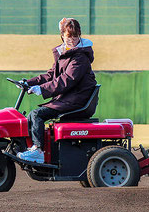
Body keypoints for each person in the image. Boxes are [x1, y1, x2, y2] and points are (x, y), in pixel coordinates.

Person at [17, 18, 97, 163]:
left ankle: (38, 151)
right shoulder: (65, 54)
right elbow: (51, 75)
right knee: (31, 117)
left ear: (79, 36)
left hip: (76, 100)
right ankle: (34, 148)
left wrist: (41, 89)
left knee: (36, 115)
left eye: (75, 36)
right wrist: (28, 83)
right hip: (68, 98)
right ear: (62, 36)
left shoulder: (80, 57)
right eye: (68, 36)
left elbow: (66, 80)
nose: (72, 40)